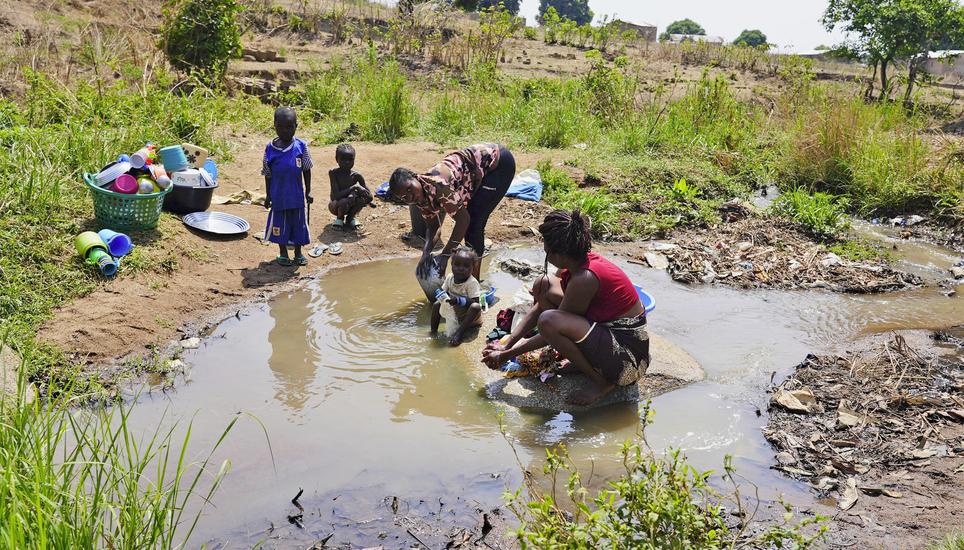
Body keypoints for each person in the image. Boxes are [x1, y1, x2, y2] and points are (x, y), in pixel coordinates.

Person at [482, 209, 650, 406]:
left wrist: (506, 356)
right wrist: (507, 343)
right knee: (542, 284)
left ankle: (601, 382)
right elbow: (541, 307)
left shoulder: (584, 278)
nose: (544, 251)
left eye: (546, 249)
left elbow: (550, 327)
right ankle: (589, 365)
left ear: (559, 253)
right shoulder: (574, 262)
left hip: (628, 361)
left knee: (549, 321)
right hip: (607, 337)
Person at [389, 143, 516, 281]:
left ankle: (474, 283)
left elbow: (463, 220)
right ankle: (470, 283)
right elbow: (433, 227)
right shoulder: (420, 198)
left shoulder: (438, 185)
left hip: (497, 162)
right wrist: (425, 253)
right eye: (404, 197)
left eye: (409, 189)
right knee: (472, 220)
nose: (410, 196)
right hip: (476, 171)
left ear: (415, 177)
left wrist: (445, 256)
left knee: (473, 224)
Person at [263, 106, 313, 266]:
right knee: (279, 225)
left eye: (289, 127)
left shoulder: (301, 146)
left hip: (296, 196)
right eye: (281, 127)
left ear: (296, 127)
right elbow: (267, 174)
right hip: (278, 196)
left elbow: (306, 169)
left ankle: (298, 253)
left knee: (298, 225)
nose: (285, 131)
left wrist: (308, 191)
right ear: (275, 126)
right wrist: (268, 195)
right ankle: (283, 253)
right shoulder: (270, 148)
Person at [431, 248, 483, 347]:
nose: (461, 268)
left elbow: (475, 301)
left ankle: (459, 334)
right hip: (454, 312)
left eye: (466, 266)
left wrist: (459, 300)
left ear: (473, 268)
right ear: (451, 265)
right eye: (457, 265)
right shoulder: (450, 277)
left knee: (475, 306)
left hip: (469, 318)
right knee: (437, 303)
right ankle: (433, 331)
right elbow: (443, 291)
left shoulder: (471, 282)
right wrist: (440, 294)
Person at [327, 143, 372, 230]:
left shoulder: (357, 176)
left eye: (350, 160)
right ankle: (339, 219)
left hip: (351, 205)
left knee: (360, 200)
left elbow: (369, 197)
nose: (347, 162)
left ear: (354, 160)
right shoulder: (333, 173)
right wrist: (354, 188)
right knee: (344, 201)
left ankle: (350, 218)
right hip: (335, 206)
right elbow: (336, 196)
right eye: (343, 159)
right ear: (336, 159)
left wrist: (358, 193)